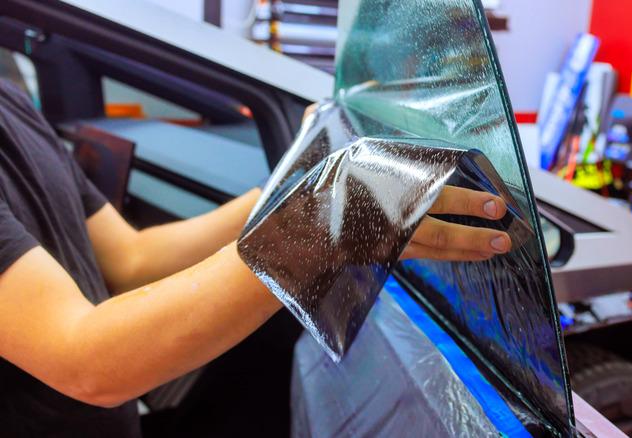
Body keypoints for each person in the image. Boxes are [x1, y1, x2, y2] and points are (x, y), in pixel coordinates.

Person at [0, 78, 513, 436]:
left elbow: (131, 256)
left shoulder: (12, 106)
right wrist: (319, 224)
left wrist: (299, 183)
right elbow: (83, 363)